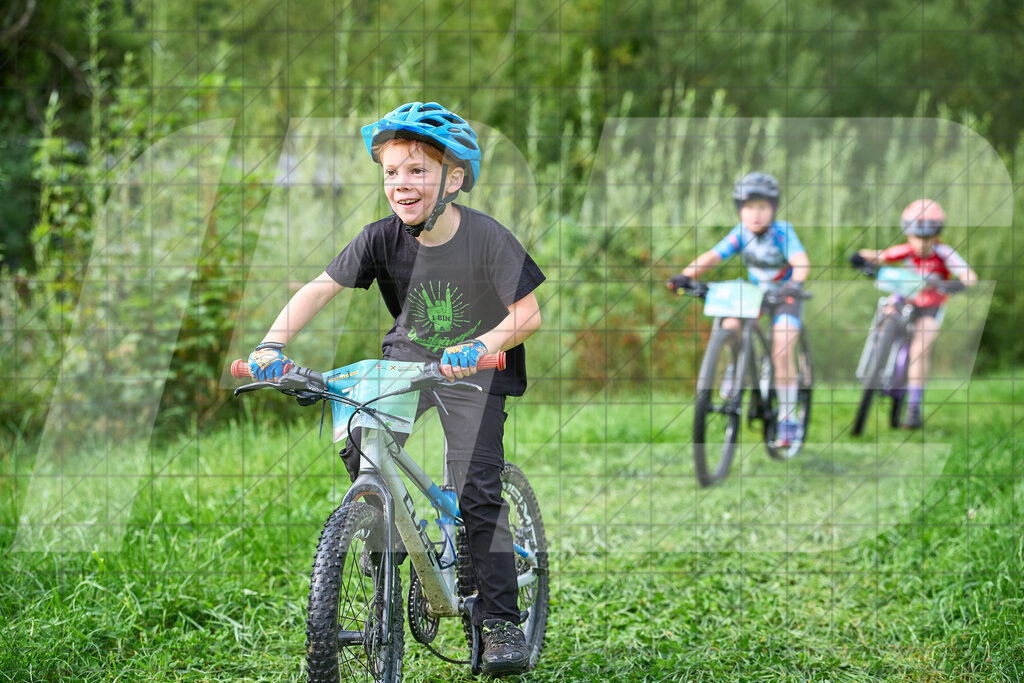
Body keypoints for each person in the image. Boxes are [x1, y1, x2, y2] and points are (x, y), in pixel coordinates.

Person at [246, 102, 545, 675]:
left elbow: (526, 313)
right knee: (362, 435)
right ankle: (380, 529)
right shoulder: (380, 239)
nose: (400, 184)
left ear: (453, 179)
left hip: (474, 367)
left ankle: (501, 619)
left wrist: (481, 346)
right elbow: (318, 288)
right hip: (407, 361)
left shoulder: (485, 237)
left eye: (417, 171)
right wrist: (269, 346)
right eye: (391, 172)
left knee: (476, 484)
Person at [666, 172, 810, 447]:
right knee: (730, 322)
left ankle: (788, 418)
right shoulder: (741, 234)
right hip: (756, 294)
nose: (755, 214)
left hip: (785, 294)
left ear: (773, 209)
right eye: (748, 207)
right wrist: (685, 276)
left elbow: (800, 260)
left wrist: (796, 282)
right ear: (739, 210)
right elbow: (713, 255)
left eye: (762, 207)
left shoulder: (782, 232)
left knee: (782, 346)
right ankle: (735, 368)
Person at [849, 199, 977, 429]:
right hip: (905, 298)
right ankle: (875, 361)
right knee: (886, 309)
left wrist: (957, 285)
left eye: (925, 237)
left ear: (935, 235)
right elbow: (880, 255)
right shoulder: (906, 250)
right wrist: (860, 257)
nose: (919, 243)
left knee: (920, 349)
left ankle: (913, 407)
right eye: (914, 236)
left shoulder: (943, 252)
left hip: (931, 305)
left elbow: (969, 275)